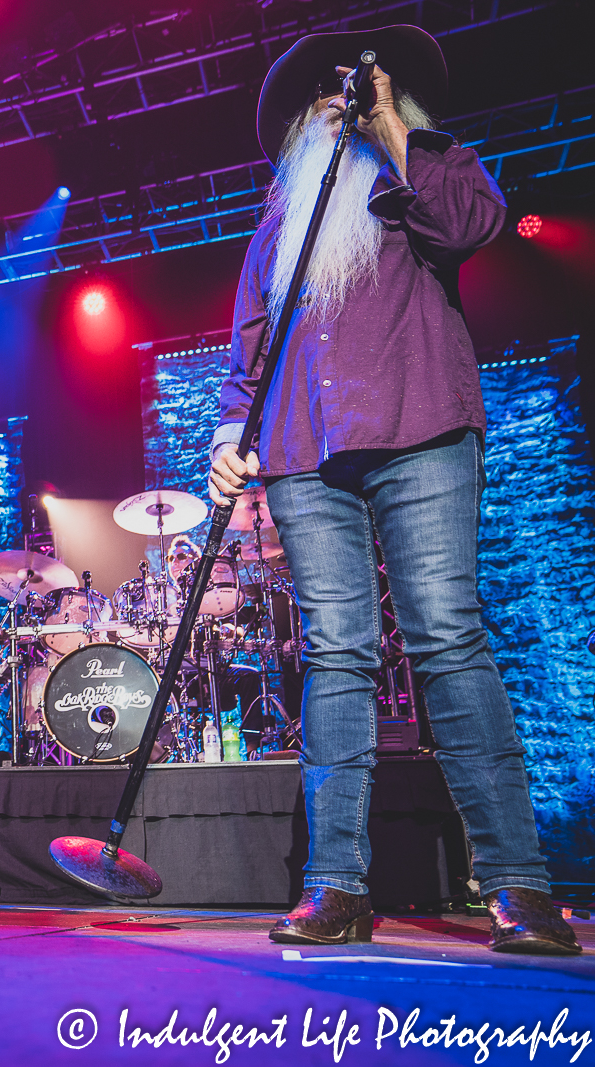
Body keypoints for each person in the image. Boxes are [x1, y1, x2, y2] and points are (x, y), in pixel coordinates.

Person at [207, 25, 578, 954]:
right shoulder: (279, 217)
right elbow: (247, 348)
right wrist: (223, 436)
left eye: (355, 87)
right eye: (322, 97)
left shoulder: (427, 169)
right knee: (336, 655)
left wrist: (389, 125)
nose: (339, 100)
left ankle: (519, 884)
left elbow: (471, 227)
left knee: (447, 635)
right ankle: (335, 885)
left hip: (424, 428)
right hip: (303, 449)